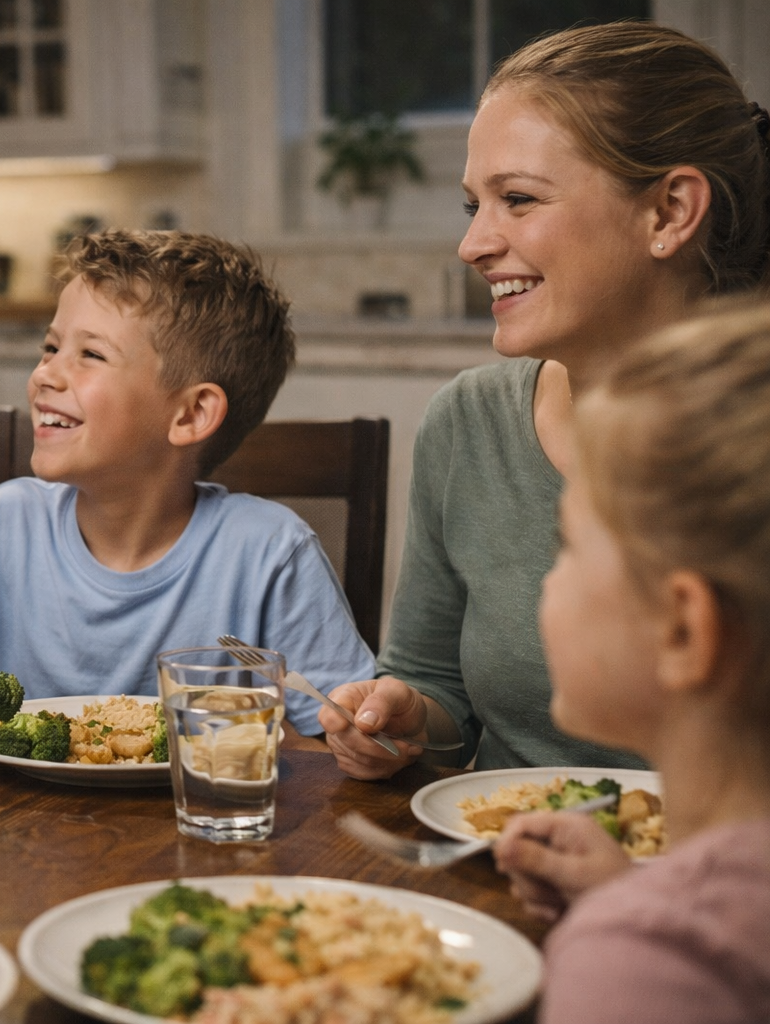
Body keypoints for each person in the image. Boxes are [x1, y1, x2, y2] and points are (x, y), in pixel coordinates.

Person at [320, 22, 770, 777]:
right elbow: (435, 689)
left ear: (669, 211)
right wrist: (403, 718)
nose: (473, 245)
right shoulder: (467, 423)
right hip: (501, 844)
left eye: (519, 198)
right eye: (474, 206)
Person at [0, 230, 376, 743]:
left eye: (90, 354)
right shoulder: (2, 524)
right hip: (18, 818)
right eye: (50, 347)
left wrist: (368, 734)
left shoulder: (271, 552)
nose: (46, 374)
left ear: (191, 414)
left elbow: (348, 725)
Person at [490, 303, 770, 1024]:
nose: (548, 579)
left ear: (682, 630)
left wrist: (634, 930)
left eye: (569, 545)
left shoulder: (646, 961)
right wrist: (623, 893)